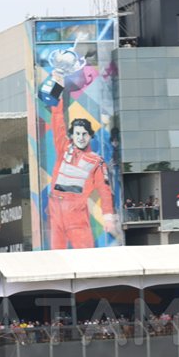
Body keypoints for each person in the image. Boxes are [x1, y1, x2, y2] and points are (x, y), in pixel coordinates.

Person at [44, 84, 115, 250]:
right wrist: (58, 86)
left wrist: (108, 217)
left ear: (90, 136)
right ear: (72, 135)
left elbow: (104, 191)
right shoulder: (64, 148)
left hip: (76, 213)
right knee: (57, 256)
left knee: (85, 256)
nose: (81, 137)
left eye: (84, 134)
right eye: (77, 133)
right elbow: (57, 120)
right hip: (55, 210)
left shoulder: (96, 161)